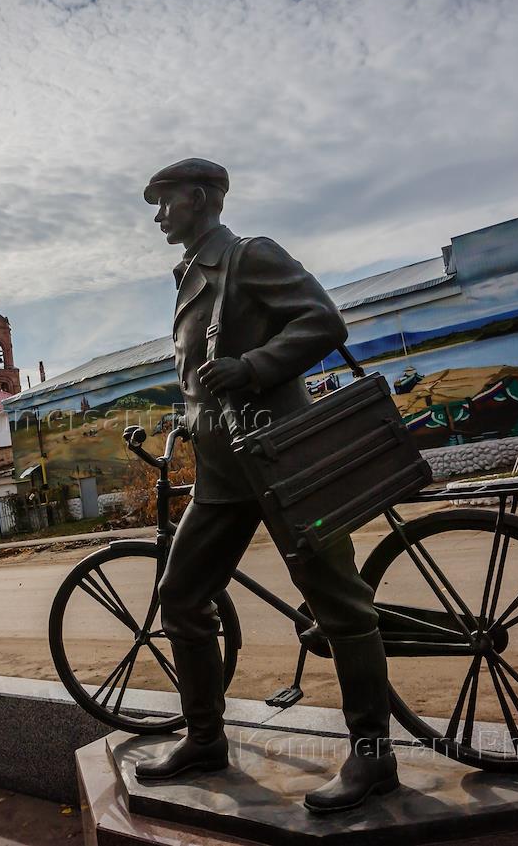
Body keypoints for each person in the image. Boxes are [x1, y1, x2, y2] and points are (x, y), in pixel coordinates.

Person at [136, 158, 398, 813]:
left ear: (200, 198)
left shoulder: (249, 256)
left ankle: (374, 755)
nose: (159, 215)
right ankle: (205, 739)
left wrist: (252, 367)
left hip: (286, 461)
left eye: (166, 201)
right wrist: (193, 417)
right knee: (182, 597)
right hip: (225, 473)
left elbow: (321, 321)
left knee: (340, 606)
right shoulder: (190, 275)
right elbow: (203, 374)